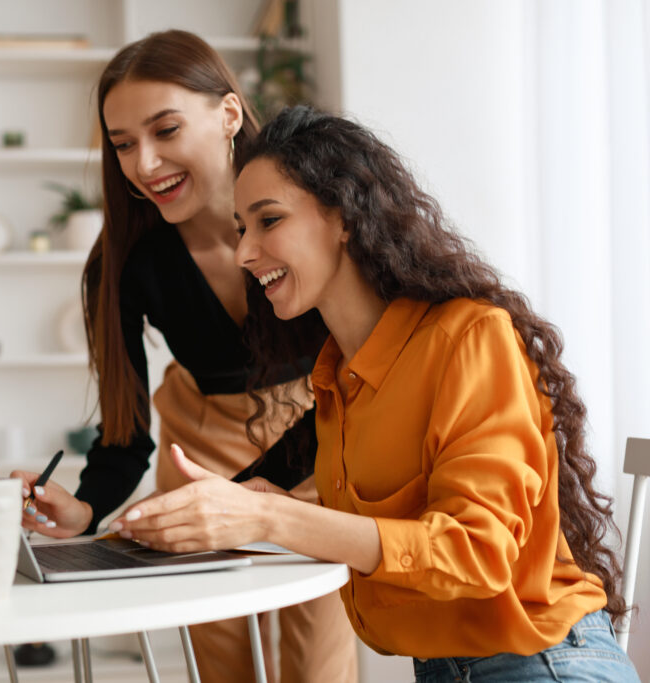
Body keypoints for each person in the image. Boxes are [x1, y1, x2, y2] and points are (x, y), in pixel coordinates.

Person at [107, 105, 641, 682]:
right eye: (242, 229)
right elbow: (395, 527)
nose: (243, 252)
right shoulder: (339, 380)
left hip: (542, 665)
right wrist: (246, 510)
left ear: (344, 217)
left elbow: (477, 554)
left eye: (268, 220)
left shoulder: (467, 337)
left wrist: (269, 516)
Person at [10, 32, 358, 683]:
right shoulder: (124, 266)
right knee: (223, 666)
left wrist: (268, 488)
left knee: (320, 665)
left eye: (165, 130)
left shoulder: (313, 218)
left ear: (230, 115)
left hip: (325, 434)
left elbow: (363, 373)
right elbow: (125, 431)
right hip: (202, 452)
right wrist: (85, 507)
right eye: (121, 144)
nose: (144, 163)